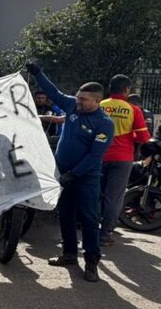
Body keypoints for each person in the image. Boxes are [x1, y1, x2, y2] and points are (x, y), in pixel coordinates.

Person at [27, 63, 114, 282]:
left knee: (88, 218)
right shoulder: (73, 107)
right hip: (63, 174)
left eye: (84, 99)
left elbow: (95, 156)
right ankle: (69, 254)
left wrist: (73, 174)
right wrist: (38, 72)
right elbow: (53, 93)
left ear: (97, 101)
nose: (79, 101)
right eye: (78, 97)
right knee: (64, 215)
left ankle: (92, 262)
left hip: (86, 178)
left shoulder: (104, 123)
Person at [98, 74, 150, 245]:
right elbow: (144, 138)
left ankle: (89, 228)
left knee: (95, 193)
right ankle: (105, 234)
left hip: (98, 156)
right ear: (127, 90)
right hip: (122, 158)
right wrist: (131, 135)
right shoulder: (133, 109)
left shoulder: (100, 105)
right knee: (114, 197)